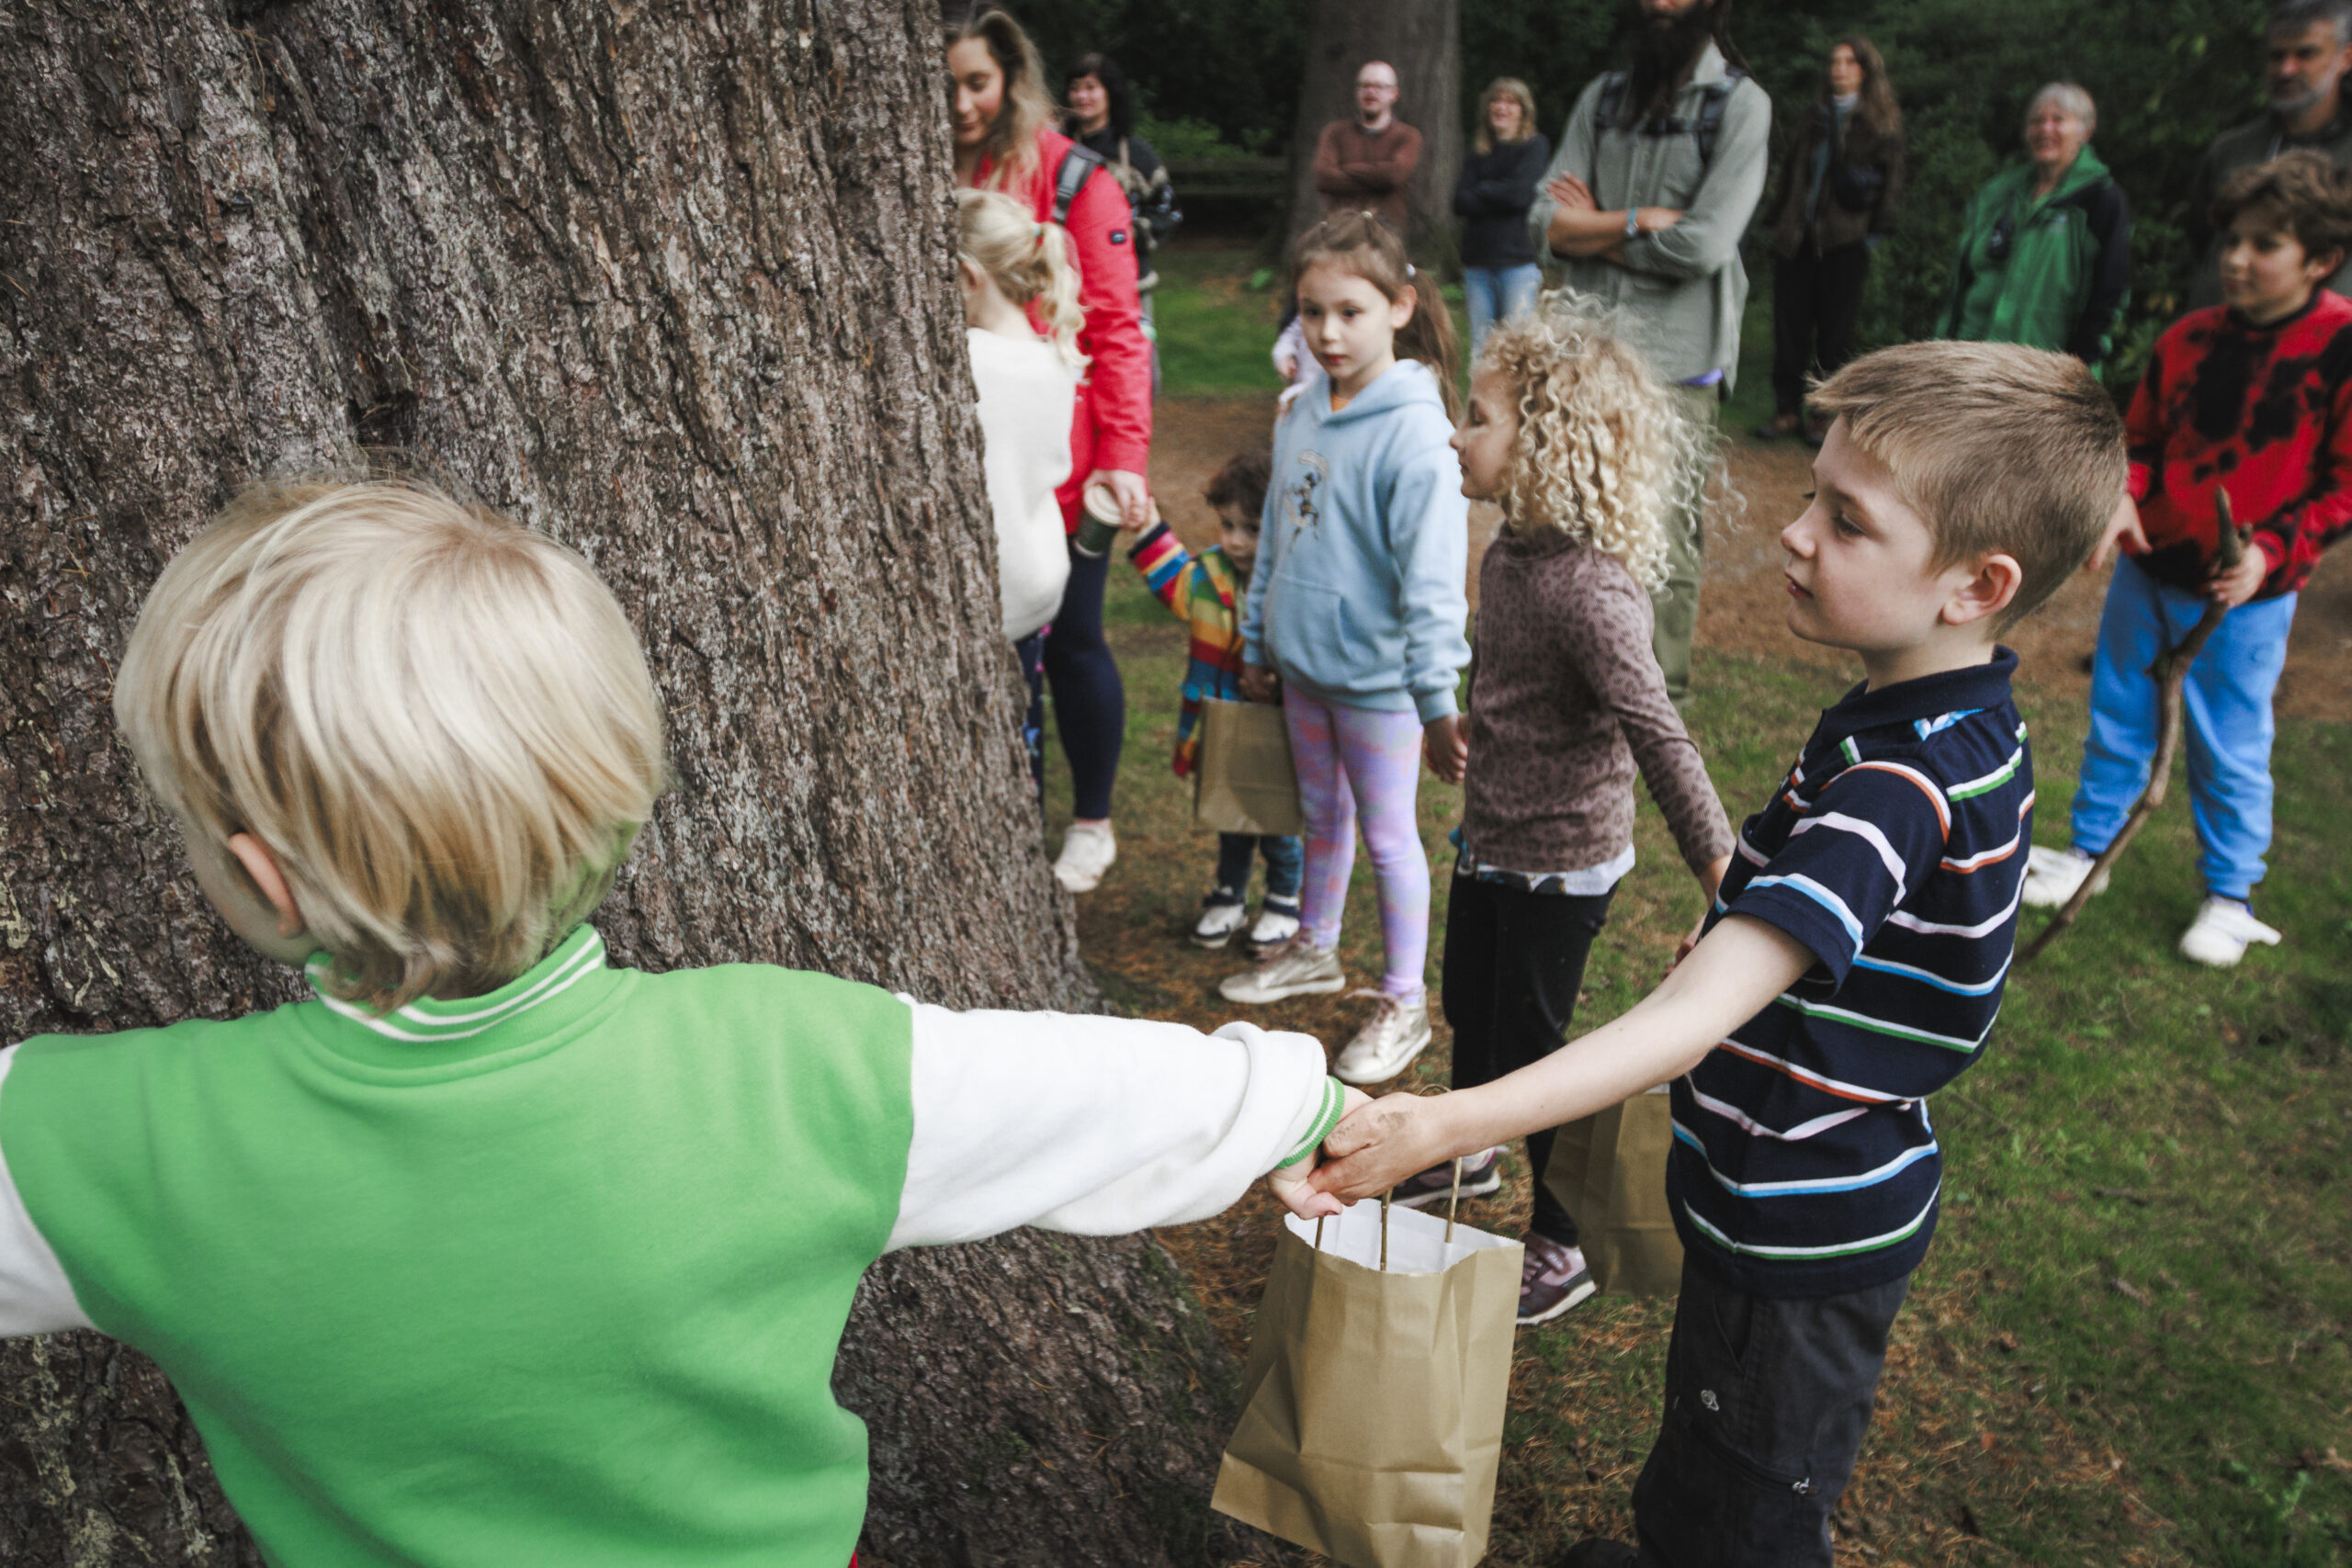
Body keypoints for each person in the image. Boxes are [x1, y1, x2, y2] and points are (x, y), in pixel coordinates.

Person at [0, 479, 1369, 1568]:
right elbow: (1105, 1093)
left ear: (262, 876)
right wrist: (1305, 1098)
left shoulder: (103, 1139)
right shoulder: (795, 1061)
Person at [1307, 341, 2128, 1568]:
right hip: (1792, 1202)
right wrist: (1748, 902)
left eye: (1846, 522)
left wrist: (1446, 1123)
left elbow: (1690, 1019)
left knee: (1751, 1501)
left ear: (1974, 582)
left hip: (1795, 1234)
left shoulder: (1899, 780)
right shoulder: (1936, 715)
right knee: (1710, 1450)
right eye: (1813, 494)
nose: (1795, 533)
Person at [1404, 297, 1734, 1327]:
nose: (1459, 434)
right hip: (1490, 839)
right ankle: (1466, 1151)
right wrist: (1461, 724)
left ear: (1545, 443)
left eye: (1479, 417)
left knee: (1536, 1047)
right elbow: (1512, 681)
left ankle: (1562, 1240)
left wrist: (1723, 868)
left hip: (1559, 864)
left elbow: (1655, 729)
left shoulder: (1592, 593)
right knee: (1471, 1003)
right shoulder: (1510, 553)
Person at [2024, 152, 2352, 965]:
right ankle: (2089, 856)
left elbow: (2344, 487)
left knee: (2229, 740)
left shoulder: (2341, 348)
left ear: (2320, 259)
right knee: (2119, 716)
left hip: (2246, 597)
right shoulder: (2188, 337)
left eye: (2265, 244)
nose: (2238, 259)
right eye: (2234, 240)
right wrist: (2123, 494)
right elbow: (2139, 441)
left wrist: (2270, 553)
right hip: (2151, 570)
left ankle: (2231, 895)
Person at [1218, 211, 1470, 1085]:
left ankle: (1405, 1001)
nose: (1327, 332)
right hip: (1301, 670)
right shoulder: (1300, 415)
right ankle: (1315, 947)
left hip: (1380, 685)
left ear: (1400, 306)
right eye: (1311, 311)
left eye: (1350, 311)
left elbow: (1435, 580)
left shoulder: (1416, 433)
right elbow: (1281, 543)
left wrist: (1437, 698)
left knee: (1392, 838)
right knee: (1323, 819)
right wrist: (1258, 637)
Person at [947, 6, 1150, 892]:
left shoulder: (1075, 182)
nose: (959, 105)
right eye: (944, 85)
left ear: (1013, 78)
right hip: (964, 469)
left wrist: (1123, 457)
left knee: (1071, 641)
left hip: (1054, 469)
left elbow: (1116, 328)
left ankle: (1092, 819)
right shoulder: (904, 160)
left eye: (977, 83)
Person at [1525, 0, 1772, 714]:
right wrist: (1634, 221)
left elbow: (1703, 246)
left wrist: (1588, 229)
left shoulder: (1741, 106)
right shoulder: (1601, 99)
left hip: (1678, 359)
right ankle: (1567, 677)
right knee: (1567, 517)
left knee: (1663, 537)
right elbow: (1541, 224)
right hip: (1584, 350)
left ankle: (1655, 702)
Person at [1125, 454, 1305, 951]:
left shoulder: (1294, 583)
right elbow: (1173, 580)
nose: (1235, 541)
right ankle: (1229, 895)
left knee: (1276, 821)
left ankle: (1285, 899)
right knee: (1230, 816)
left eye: (1250, 529)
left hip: (1277, 727)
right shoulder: (1209, 574)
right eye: (1227, 526)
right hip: (1220, 723)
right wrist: (1147, 527)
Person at [956, 188, 1081, 796]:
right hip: (1038, 582)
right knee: (1022, 727)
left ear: (965, 276)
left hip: (990, 594)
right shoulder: (1054, 357)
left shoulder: (970, 363)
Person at [1757, 38, 1905, 445]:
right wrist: (1777, 218)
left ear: (1865, 70)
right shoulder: (1814, 118)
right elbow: (1791, 172)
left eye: (1849, 62)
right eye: (1834, 61)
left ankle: (1821, 415)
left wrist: (1874, 234)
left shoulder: (1879, 124)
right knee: (1790, 328)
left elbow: (1891, 182)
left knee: (1834, 333)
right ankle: (1786, 409)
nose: (1838, 68)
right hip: (1797, 238)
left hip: (1845, 240)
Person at [1936, 83, 2131, 374]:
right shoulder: (1999, 194)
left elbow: (2109, 292)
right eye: (2037, 121)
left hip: (2043, 376)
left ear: (2085, 131)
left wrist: (2078, 368)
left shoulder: (2101, 200)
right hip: (1971, 363)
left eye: (2058, 120)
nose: (2045, 130)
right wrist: (1943, 347)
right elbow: (1962, 280)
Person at [2188, 0, 2352, 308]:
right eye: (2277, 56)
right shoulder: (2231, 151)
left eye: (2306, 54)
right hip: (2223, 339)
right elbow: (2202, 238)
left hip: (2333, 345)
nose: (2286, 69)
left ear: (2345, 57)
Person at [1065, 53, 1182, 295]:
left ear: (1109, 93)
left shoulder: (1137, 154)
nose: (1082, 96)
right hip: (1067, 284)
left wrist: (1131, 233)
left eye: (1091, 87)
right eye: (1075, 88)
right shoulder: (1059, 149)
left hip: (1130, 283)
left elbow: (1168, 210)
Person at [1453, 77, 1552, 355]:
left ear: (1523, 110)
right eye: (1496, 100)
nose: (1502, 107)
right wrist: (1501, 192)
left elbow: (1521, 195)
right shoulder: (1478, 151)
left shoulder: (1535, 146)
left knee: (1517, 349)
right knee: (1480, 350)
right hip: (1477, 264)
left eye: (1511, 101)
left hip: (1517, 264)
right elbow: (1459, 202)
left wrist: (1482, 189)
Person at [1311, 60, 1423, 236]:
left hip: (1384, 236)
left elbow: (1392, 176)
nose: (1371, 92)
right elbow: (1323, 178)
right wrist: (1376, 180)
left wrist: (1344, 170)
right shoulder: (1334, 132)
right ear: (1357, 92)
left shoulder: (1408, 136)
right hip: (1337, 234)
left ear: (1394, 94)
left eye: (1379, 87)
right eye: (1364, 86)